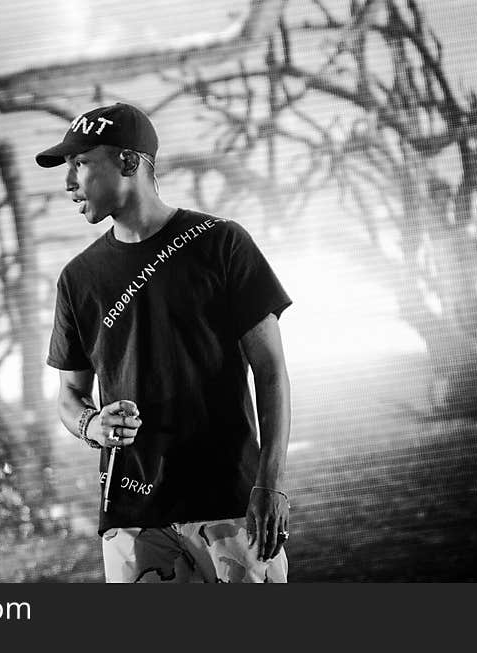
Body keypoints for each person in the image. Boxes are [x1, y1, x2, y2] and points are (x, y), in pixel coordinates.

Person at [36, 103, 293, 583]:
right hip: (131, 518)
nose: (68, 182)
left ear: (130, 163)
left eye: (80, 163)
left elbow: (271, 370)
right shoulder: (77, 279)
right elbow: (69, 397)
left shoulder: (222, 243)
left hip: (231, 505)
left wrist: (270, 484)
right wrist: (93, 425)